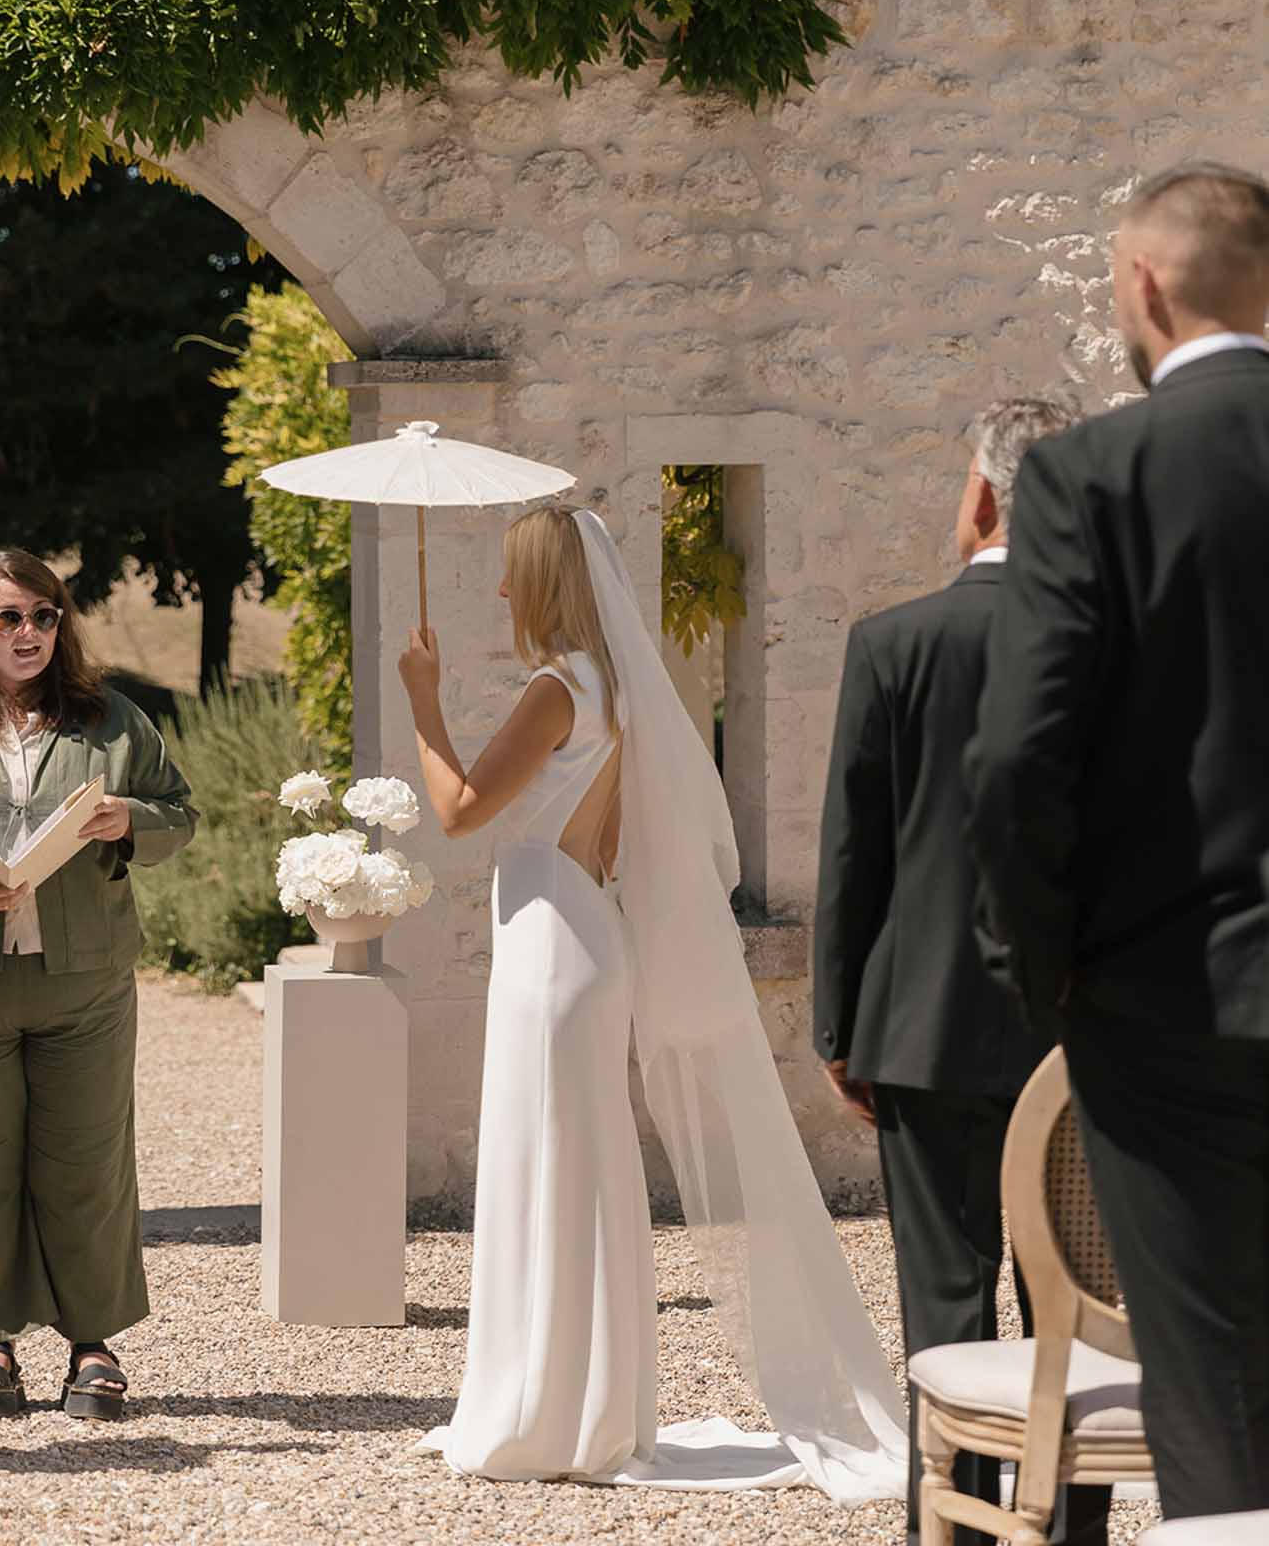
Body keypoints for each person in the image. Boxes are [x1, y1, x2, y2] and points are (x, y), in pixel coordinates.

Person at [397, 505, 908, 1498]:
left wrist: (425, 699)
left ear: (545, 583)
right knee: (577, 1167)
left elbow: (460, 810)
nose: (500, 593)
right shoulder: (618, 687)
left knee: (548, 1164)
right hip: (583, 931)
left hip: (551, 947)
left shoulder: (556, 687)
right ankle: (586, 1401)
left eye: (513, 575)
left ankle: (546, 1406)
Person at [964, 161, 1269, 1520]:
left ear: (1140, 285)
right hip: (1166, 991)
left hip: (1166, 995)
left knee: (1204, 1374)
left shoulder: (1091, 475)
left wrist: (1046, 964)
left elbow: (1021, 752)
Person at [815, 395, 1109, 1546]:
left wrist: (840, 1024)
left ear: (980, 495)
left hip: (922, 1022)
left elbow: (855, 852)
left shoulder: (892, 643)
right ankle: (1069, 1529)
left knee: (945, 1301)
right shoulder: (1114, 652)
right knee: (1072, 1309)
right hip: (1078, 1036)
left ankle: (956, 1530)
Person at [0, 548, 197, 1421]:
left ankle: (92, 1345)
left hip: (86, 984)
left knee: (86, 1164)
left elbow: (178, 811)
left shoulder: (111, 720)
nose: (30, 633)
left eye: (44, 615)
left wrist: (127, 819)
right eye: (9, 617)